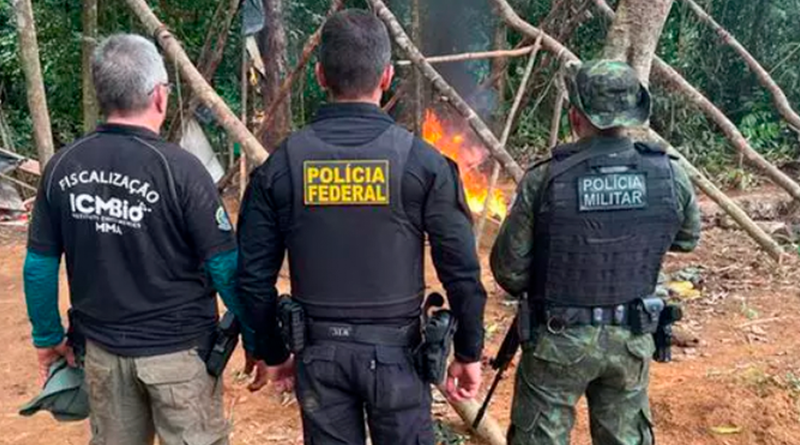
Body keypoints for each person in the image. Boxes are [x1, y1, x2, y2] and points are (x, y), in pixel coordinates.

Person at [237, 9, 487, 445]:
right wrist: (468, 350)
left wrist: (272, 352)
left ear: (319, 75)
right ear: (387, 76)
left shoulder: (281, 167)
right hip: (398, 361)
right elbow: (462, 271)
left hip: (319, 359)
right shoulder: (423, 164)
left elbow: (253, 278)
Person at [23, 34, 259, 445]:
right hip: (180, 358)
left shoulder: (63, 167)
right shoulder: (181, 171)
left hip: (101, 354)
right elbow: (224, 267)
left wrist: (47, 338)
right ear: (159, 96)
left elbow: (38, 267)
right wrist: (256, 336)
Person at [491, 59, 701, 445]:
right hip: (632, 338)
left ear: (575, 115)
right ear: (634, 113)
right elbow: (687, 238)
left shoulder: (546, 178)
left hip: (558, 340)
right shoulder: (669, 174)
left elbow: (509, 270)